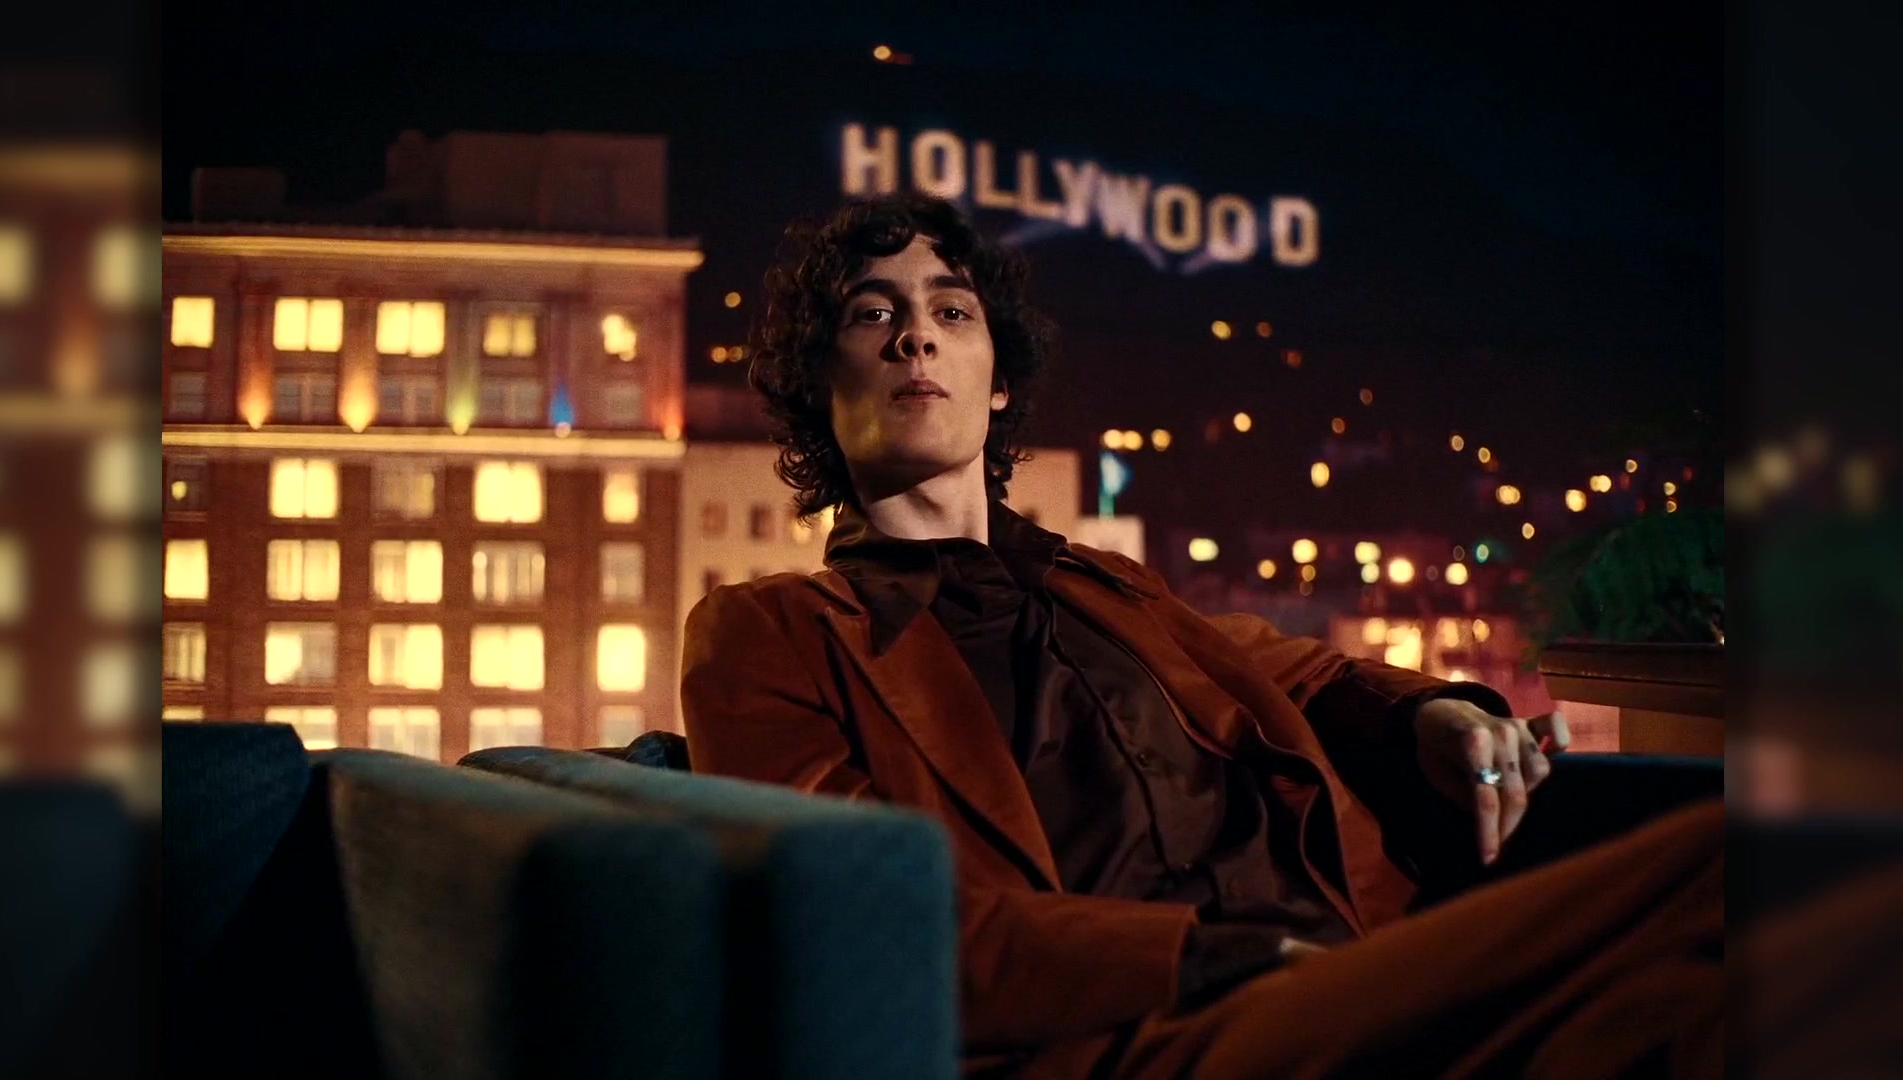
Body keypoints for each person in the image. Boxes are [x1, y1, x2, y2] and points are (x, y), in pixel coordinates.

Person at [681, 193, 1722, 1079]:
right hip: (1153, 1030)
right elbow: (864, 916)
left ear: (997, 382)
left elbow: (1294, 672)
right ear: (819, 387)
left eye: (951, 311)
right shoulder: (770, 632)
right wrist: (1216, 958)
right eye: (874, 314)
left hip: (1354, 965)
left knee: (1705, 985)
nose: (916, 336)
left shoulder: (1104, 584)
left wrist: (1435, 715)